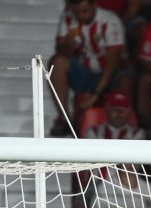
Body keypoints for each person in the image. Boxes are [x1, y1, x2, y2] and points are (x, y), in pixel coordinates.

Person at [48, 0, 125, 137]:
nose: (81, 16)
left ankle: (127, 127)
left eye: (85, 12)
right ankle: (64, 118)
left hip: (111, 74)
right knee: (56, 62)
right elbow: (59, 50)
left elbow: (112, 64)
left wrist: (96, 94)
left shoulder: (110, 21)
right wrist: (69, 46)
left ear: (94, 5)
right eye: (77, 12)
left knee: (126, 79)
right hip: (85, 72)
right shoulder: (68, 18)